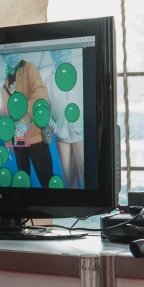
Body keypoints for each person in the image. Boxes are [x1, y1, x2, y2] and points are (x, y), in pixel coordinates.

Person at [0, 52, 54, 187]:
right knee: (22, 180)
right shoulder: (5, 85)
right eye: (6, 55)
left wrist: (23, 114)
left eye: (12, 52)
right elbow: (6, 113)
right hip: (18, 139)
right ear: (4, 58)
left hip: (35, 135)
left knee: (46, 178)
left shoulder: (29, 68)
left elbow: (40, 93)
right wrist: (8, 139)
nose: (10, 56)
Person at [45, 49, 85, 189]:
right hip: (61, 137)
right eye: (55, 50)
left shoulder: (81, 70)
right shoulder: (49, 80)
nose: (60, 51)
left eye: (63, 48)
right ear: (51, 54)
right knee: (69, 180)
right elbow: (45, 110)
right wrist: (55, 128)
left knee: (88, 177)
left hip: (83, 135)